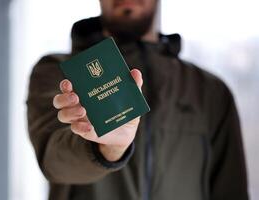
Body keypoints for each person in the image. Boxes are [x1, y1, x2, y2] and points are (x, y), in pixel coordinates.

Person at [26, 0, 248, 199]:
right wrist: (109, 149)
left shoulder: (209, 91)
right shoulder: (58, 73)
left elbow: (231, 190)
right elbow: (55, 163)